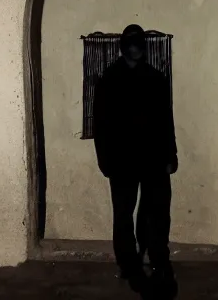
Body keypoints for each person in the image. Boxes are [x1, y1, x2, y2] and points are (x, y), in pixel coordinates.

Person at [93, 24, 178, 298]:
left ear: (143, 45)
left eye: (138, 42)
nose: (134, 47)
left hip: (152, 159)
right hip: (121, 161)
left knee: (156, 214)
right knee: (123, 214)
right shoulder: (109, 79)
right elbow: (101, 125)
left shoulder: (155, 78)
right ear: (122, 46)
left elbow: (166, 121)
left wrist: (170, 156)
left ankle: (158, 261)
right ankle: (128, 264)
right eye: (129, 42)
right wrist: (104, 160)